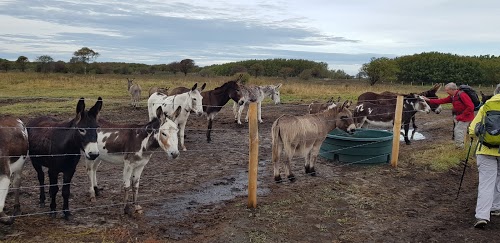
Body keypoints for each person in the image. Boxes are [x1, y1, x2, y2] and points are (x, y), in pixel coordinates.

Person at [468, 84, 500, 228]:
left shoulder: (486, 106)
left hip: (485, 150)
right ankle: (496, 207)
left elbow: (472, 130)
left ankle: (482, 216)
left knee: (486, 184)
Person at [423, 82, 474, 148]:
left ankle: (459, 148)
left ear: (452, 89)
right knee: (458, 130)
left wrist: (462, 116)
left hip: (465, 117)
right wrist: (428, 100)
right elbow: (442, 101)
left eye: (447, 90)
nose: (446, 91)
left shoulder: (462, 95)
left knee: (458, 130)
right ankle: (459, 145)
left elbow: (471, 106)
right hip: (459, 116)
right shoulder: (453, 96)